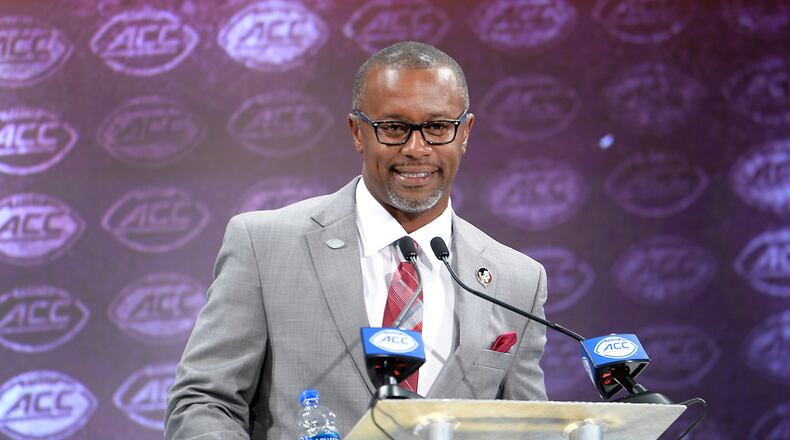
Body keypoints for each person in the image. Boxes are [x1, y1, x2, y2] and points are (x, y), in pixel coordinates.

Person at [165, 41, 548, 439]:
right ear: (358, 132)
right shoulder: (265, 246)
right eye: (394, 128)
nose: (416, 148)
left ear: (464, 133)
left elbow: (532, 429)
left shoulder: (517, 281)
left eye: (437, 127)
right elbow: (203, 401)